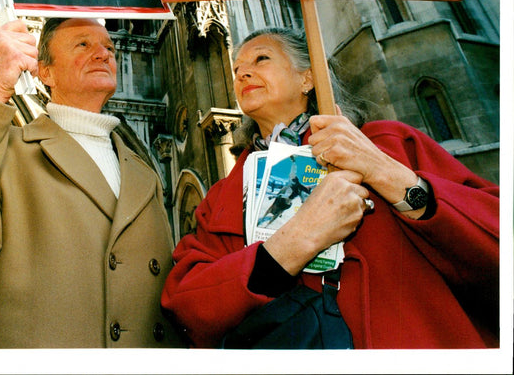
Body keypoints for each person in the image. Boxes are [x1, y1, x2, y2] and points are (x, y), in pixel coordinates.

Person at [161, 27, 499, 349]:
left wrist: (388, 174)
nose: (242, 74)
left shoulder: (388, 143)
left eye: (261, 59)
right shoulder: (223, 195)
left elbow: (495, 245)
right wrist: (291, 246)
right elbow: (188, 306)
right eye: (236, 68)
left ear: (308, 77)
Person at [0, 17, 181, 348]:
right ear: (44, 72)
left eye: (109, 47)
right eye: (83, 44)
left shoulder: (144, 173)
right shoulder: (4, 151)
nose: (103, 54)